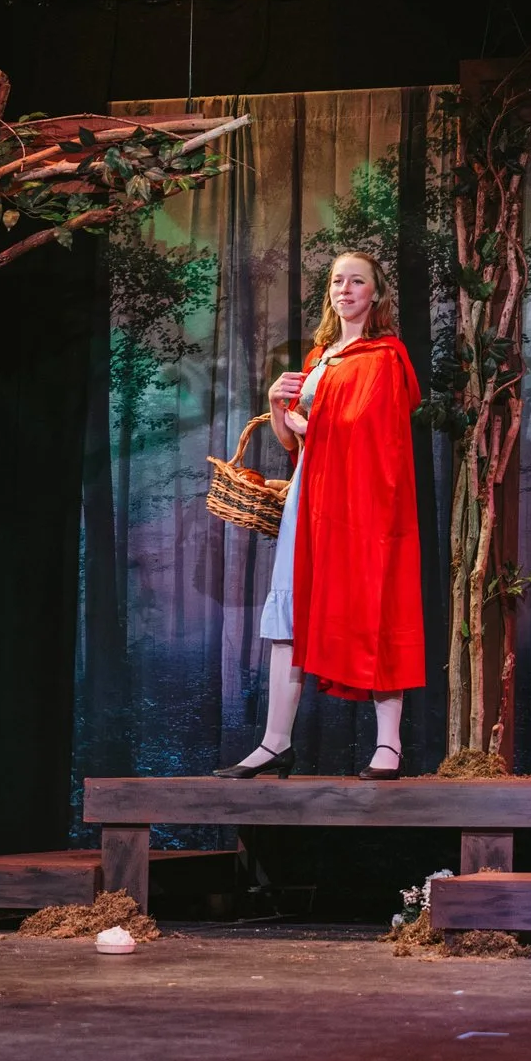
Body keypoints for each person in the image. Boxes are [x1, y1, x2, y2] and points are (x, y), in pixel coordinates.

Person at [216, 250, 425, 781]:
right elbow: (294, 441)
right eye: (337, 281)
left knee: (374, 604)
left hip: (363, 504)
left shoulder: (384, 357)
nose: (345, 289)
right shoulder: (318, 358)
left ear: (375, 293)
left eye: (357, 281)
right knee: (291, 611)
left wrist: (318, 421)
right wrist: (278, 404)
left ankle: (389, 745)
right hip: (312, 498)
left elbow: (376, 435)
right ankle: (275, 743)